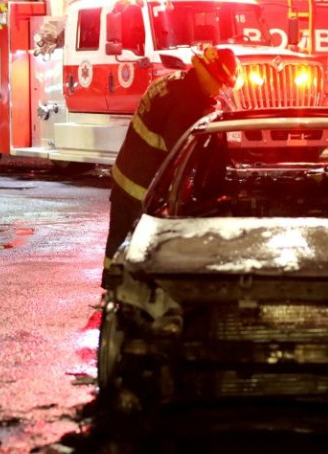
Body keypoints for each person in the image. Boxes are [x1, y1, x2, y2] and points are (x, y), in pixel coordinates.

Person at [102, 45, 240, 286]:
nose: (220, 90)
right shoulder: (187, 103)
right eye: (220, 83)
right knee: (142, 246)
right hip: (142, 185)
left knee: (118, 239)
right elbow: (180, 153)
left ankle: (110, 286)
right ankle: (129, 293)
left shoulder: (176, 83)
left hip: (126, 174)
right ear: (209, 76)